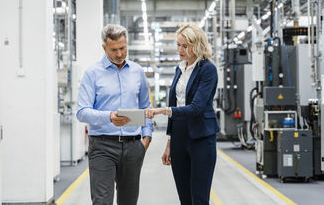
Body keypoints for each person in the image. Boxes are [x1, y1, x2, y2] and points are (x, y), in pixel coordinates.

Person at [77, 24, 153, 205]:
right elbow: (82, 112)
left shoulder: (137, 72)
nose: (119, 54)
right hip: (103, 147)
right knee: (102, 201)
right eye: (114, 50)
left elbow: (146, 106)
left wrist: (146, 138)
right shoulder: (92, 74)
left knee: (129, 201)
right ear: (104, 48)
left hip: (134, 146)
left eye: (123, 48)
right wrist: (109, 116)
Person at [146, 24, 219, 205]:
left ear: (198, 45)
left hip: (201, 136)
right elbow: (176, 103)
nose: (180, 50)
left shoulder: (208, 70)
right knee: (184, 198)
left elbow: (196, 108)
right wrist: (170, 142)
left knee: (199, 199)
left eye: (185, 46)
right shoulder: (179, 69)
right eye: (178, 45)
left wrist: (162, 111)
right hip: (179, 135)